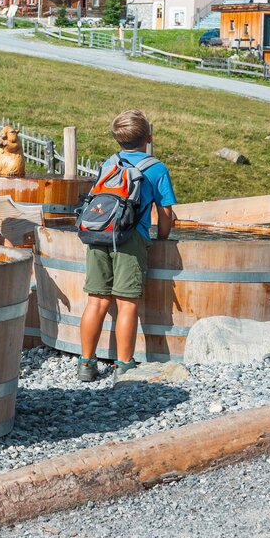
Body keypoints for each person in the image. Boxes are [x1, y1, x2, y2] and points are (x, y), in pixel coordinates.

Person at [77, 110, 176, 382]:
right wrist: (162, 239)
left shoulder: (108, 163)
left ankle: (86, 363)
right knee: (127, 303)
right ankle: (124, 366)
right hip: (131, 239)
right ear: (149, 137)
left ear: (117, 138)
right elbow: (165, 213)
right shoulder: (156, 168)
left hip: (99, 233)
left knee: (96, 300)